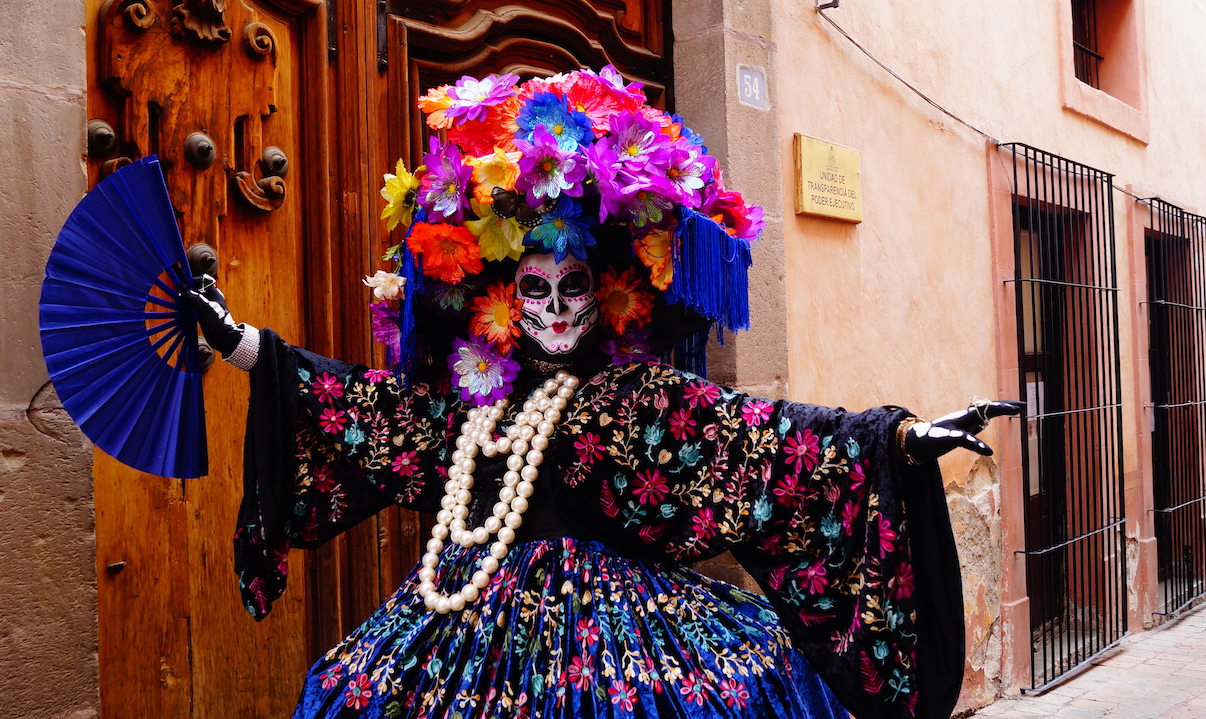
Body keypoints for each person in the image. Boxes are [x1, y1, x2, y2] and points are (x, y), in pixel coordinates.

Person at [185, 68, 1020, 719]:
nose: (553, 309)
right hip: (466, 626)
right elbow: (362, 409)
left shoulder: (637, 404)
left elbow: (763, 441)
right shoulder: (473, 412)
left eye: (573, 284)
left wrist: (903, 440)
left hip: (632, 637)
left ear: (607, 290)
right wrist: (239, 344)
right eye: (534, 289)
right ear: (504, 298)